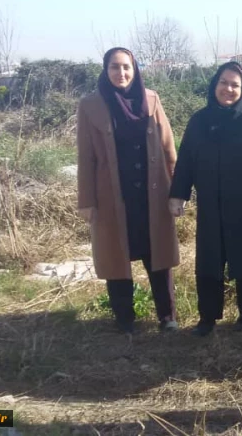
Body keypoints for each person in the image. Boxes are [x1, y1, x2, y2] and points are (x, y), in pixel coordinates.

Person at [168, 61, 242, 337]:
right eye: (224, 82)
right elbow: (185, 161)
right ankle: (207, 317)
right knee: (209, 260)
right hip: (211, 203)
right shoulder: (200, 121)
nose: (228, 89)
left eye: (235, 84)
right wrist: (178, 194)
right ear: (214, 84)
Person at [77, 47, 180, 334]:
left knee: (157, 254)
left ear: (135, 70)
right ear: (105, 70)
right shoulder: (91, 105)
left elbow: (168, 148)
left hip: (152, 193)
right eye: (114, 67)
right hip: (112, 194)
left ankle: (167, 316)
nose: (121, 73)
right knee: (115, 257)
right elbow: (85, 157)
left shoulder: (151, 99)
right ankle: (124, 318)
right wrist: (87, 201)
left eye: (126, 67)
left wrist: (178, 191)